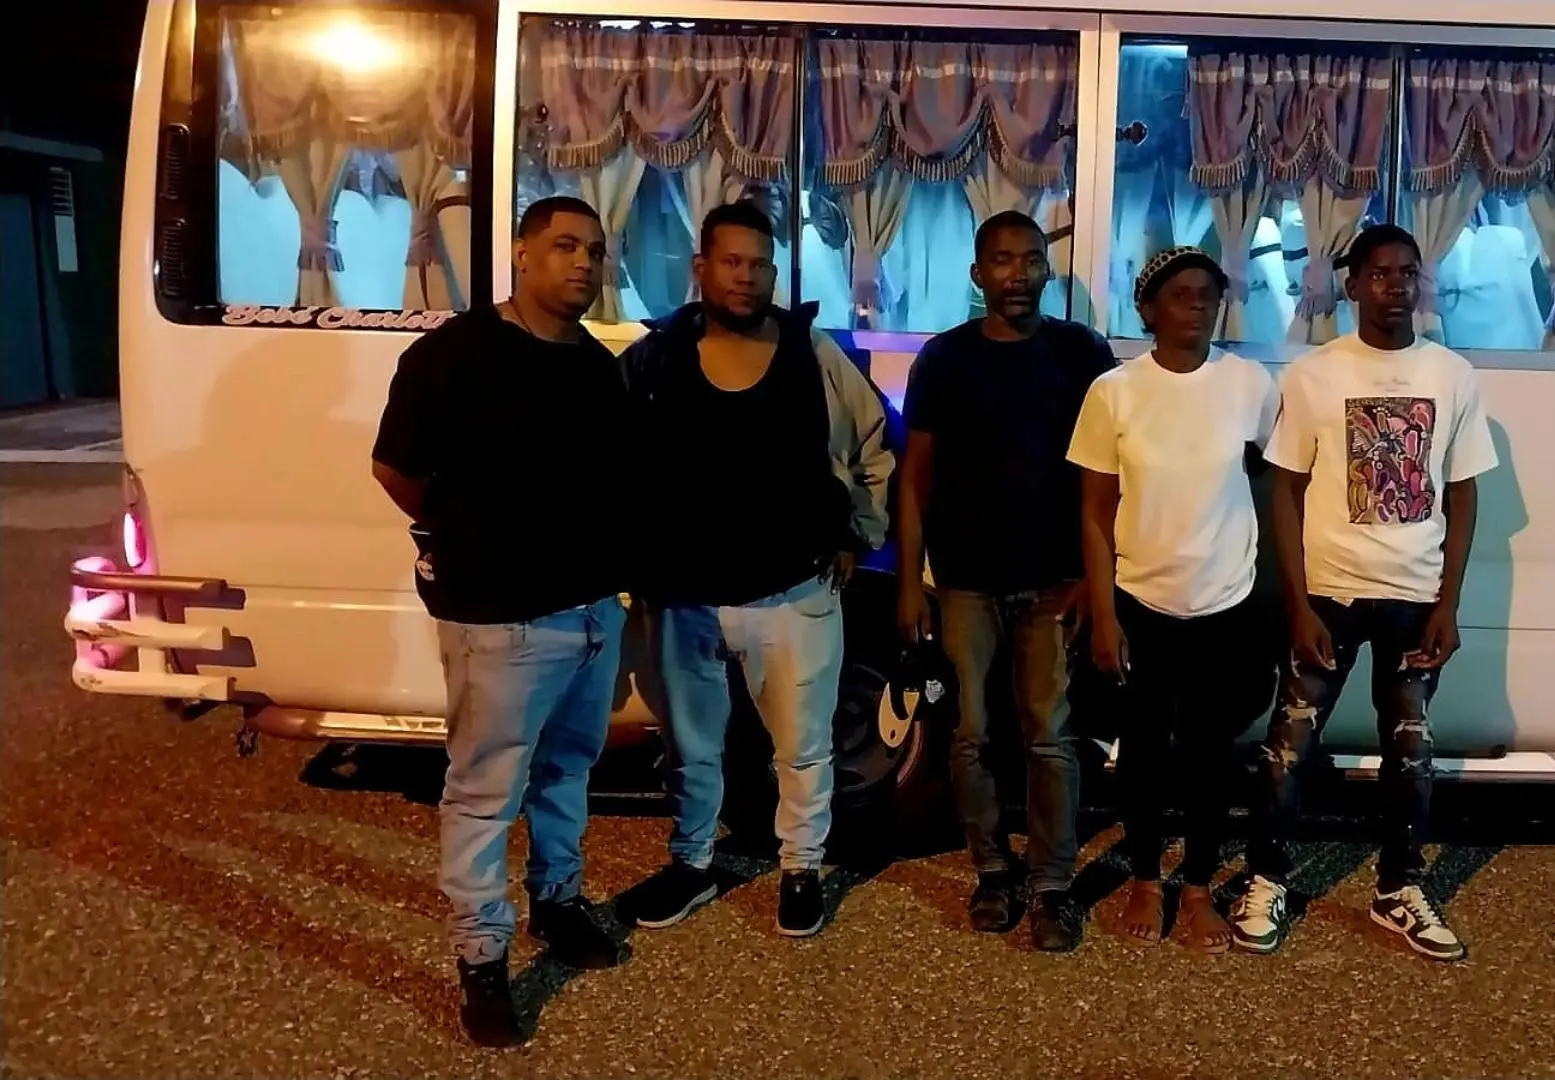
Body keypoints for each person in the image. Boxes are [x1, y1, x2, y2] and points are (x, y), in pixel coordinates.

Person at [370, 195, 633, 1047]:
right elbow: (395, 470)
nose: (583, 263)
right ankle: (482, 957)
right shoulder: (453, 356)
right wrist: (467, 539)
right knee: (485, 795)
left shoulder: (596, 367)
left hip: (590, 614)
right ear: (521, 253)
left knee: (568, 773)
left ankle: (558, 902)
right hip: (499, 621)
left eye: (594, 250)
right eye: (564, 245)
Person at [618, 201, 893, 940]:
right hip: (682, 599)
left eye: (760, 265)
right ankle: (692, 865)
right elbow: (612, 462)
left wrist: (858, 534)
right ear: (701, 268)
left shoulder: (812, 352)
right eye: (732, 262)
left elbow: (872, 442)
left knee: (802, 749)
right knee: (690, 748)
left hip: (794, 591)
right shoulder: (655, 357)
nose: (746, 277)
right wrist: (629, 559)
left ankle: (800, 867)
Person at [1240, 223, 1497, 962]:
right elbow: (1284, 490)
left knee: (1411, 752)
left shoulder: (1452, 375)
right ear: (1352, 286)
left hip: (1414, 598)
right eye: (1380, 274)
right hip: (1329, 594)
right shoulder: (1315, 375)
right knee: (1289, 747)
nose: (1396, 286)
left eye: (1407, 273)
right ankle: (1266, 879)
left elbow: (1463, 492)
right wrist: (1297, 604)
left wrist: (1448, 604)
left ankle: (1398, 890)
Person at [896, 211, 1116, 952]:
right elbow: (916, 477)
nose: (1017, 274)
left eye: (1030, 260)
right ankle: (992, 870)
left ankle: (1052, 884)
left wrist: (1093, 575)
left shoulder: (1081, 352)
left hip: (1055, 578)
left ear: (1046, 270)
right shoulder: (945, 359)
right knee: (970, 733)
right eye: (1002, 260)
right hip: (965, 580)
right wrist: (908, 583)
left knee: (1050, 734)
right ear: (977, 273)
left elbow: (1108, 474)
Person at [1068, 247, 1281, 954]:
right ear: (1148, 308)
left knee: (1211, 753)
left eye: (1208, 295)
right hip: (1140, 599)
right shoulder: (1115, 392)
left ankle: (1195, 886)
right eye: (1181, 294)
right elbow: (1095, 513)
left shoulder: (1249, 384)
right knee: (1143, 753)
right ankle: (1143, 878)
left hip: (1226, 600)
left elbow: (1272, 481)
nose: (1197, 306)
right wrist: (1104, 615)